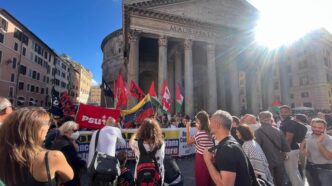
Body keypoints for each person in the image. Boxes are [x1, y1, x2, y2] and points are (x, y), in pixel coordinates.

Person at [0, 107, 74, 186]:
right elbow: (69, 176)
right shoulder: (53, 156)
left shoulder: (4, 153)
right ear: (37, 130)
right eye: (46, 123)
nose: (48, 127)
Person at [203, 110, 251, 186]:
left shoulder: (227, 149)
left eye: (210, 121)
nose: (209, 125)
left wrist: (207, 161)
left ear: (217, 125)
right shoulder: (230, 143)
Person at [255, 111, 290, 186]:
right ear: (271, 119)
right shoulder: (278, 130)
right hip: (279, 159)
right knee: (280, 181)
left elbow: (257, 148)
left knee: (270, 181)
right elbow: (286, 147)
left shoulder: (257, 132)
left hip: (266, 160)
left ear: (260, 119)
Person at [87, 117, 126, 185]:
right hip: (108, 166)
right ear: (114, 125)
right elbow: (123, 143)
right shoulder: (115, 130)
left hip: (95, 166)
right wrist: (118, 128)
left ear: (105, 124)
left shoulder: (96, 132)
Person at [129, 118, 165, 185]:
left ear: (141, 130)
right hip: (157, 176)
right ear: (156, 130)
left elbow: (132, 140)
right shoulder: (161, 143)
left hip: (140, 176)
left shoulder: (135, 143)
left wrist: (138, 132)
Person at [52, 121, 86, 186]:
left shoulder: (60, 140)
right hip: (67, 177)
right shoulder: (66, 145)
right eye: (75, 130)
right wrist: (83, 163)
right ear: (67, 131)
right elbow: (73, 162)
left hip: (61, 175)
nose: (77, 132)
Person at [186, 110, 214, 186]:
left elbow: (188, 142)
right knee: (209, 178)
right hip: (211, 157)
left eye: (197, 121)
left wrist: (187, 129)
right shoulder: (211, 132)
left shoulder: (200, 133)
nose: (196, 123)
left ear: (200, 121)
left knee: (201, 178)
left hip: (201, 158)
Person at [301, 118, 332, 186]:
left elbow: (328, 157)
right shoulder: (309, 135)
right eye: (314, 127)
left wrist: (319, 143)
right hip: (310, 168)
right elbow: (303, 143)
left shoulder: (329, 140)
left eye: (320, 127)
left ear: (324, 128)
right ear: (311, 126)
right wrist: (303, 150)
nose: (316, 129)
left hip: (325, 170)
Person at [279, 105, 304, 186]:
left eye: (285, 112)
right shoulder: (286, 122)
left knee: (292, 173)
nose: (283, 114)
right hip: (291, 149)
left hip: (290, 150)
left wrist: (284, 151)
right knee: (294, 172)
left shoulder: (289, 122)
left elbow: (289, 138)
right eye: (281, 112)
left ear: (290, 112)